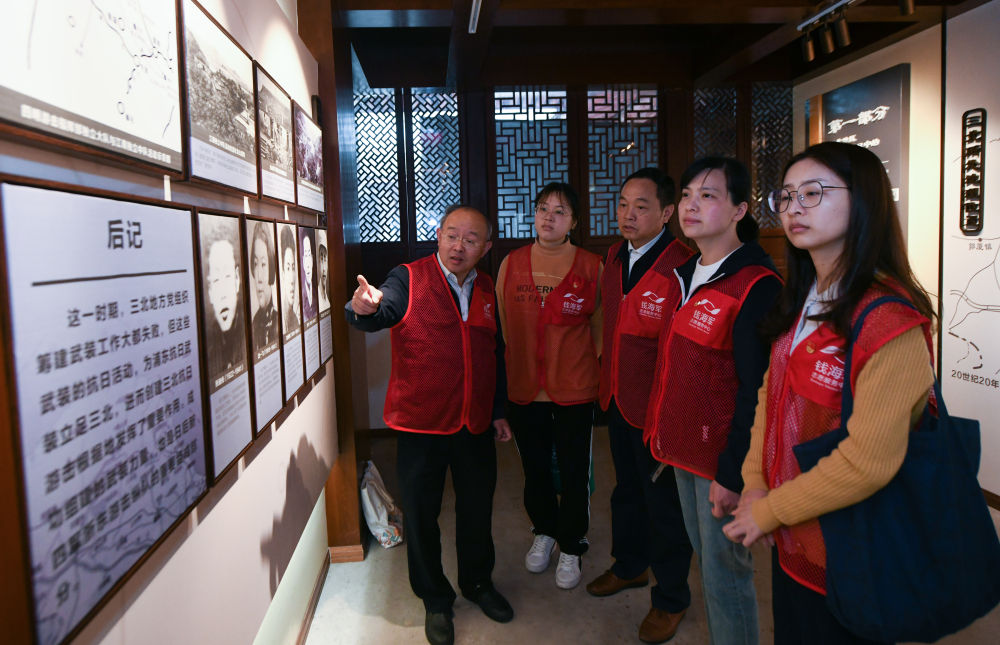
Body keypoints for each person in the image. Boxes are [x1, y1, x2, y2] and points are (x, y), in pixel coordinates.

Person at [722, 142, 935, 645]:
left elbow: (868, 462)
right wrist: (754, 482)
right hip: (796, 538)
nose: (793, 207)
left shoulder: (889, 320)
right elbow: (769, 398)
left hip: (855, 551)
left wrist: (768, 510)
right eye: (786, 195)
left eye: (813, 193)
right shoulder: (803, 300)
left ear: (863, 202)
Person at [346, 205, 515, 645]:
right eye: (452, 235)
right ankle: (435, 599)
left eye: (471, 240)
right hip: (421, 425)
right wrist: (363, 307)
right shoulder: (408, 278)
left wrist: (498, 409)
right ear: (438, 235)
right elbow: (381, 309)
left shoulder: (485, 288)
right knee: (422, 516)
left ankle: (477, 583)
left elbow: (493, 352)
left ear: (486, 247)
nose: (459, 246)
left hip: (474, 423)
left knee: (477, 510)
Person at [644, 157, 781, 645]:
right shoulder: (687, 272)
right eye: (686, 195)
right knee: (707, 562)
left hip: (721, 460)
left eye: (708, 196)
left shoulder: (756, 285)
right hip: (682, 448)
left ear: (740, 209)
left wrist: (733, 473)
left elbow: (757, 390)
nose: (691, 206)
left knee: (725, 576)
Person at [587, 167, 695, 644]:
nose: (628, 214)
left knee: (664, 506)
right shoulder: (614, 256)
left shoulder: (683, 265)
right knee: (626, 491)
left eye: (642, 206)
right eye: (623, 204)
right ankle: (630, 566)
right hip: (618, 398)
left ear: (667, 213)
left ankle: (671, 598)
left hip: (660, 408)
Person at [495, 182, 602, 590]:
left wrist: (577, 363)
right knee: (535, 468)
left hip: (574, 385)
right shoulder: (512, 263)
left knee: (574, 471)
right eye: (543, 208)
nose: (549, 217)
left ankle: (572, 544)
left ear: (573, 222)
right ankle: (544, 530)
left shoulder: (592, 266)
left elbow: (600, 329)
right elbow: (506, 326)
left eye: (560, 211)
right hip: (526, 387)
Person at [203, 232, 247, 386]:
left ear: (237, 280)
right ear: (210, 291)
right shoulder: (208, 354)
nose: (222, 294)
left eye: (227, 277)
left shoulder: (251, 333)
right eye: (216, 280)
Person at [249, 221, 280, 357]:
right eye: (255, 264)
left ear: (271, 267)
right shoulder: (254, 324)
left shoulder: (280, 320)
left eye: (263, 264)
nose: (259, 277)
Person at [279, 224, 300, 335]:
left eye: (293, 267)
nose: (292, 280)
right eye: (287, 268)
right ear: (282, 273)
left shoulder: (295, 319)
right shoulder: (279, 318)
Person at [300, 230, 317, 321]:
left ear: (312, 259)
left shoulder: (316, 292)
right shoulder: (301, 295)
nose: (308, 265)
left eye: (309, 255)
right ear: (302, 261)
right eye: (305, 255)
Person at [317, 237, 330, 312]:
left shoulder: (327, 300)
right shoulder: (317, 297)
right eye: (321, 259)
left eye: (325, 260)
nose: (324, 269)